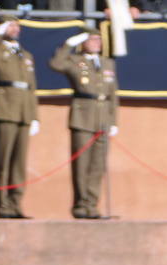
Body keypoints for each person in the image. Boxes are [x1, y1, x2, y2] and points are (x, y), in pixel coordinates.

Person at [49, 29, 119, 220]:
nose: (96, 42)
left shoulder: (107, 63)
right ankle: (80, 205)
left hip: (103, 116)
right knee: (82, 164)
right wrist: (69, 44)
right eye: (91, 39)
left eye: (98, 39)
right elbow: (56, 64)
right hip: (83, 116)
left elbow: (113, 94)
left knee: (98, 165)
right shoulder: (74, 61)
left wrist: (113, 121)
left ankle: (92, 205)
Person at [0, 17, 39, 219]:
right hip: (5, 109)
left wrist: (34, 116)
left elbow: (32, 87)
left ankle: (16, 204)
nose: (15, 29)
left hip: (23, 111)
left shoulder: (25, 55)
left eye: (17, 26)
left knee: (19, 163)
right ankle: (2, 204)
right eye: (10, 25)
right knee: (2, 160)